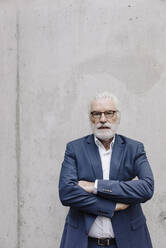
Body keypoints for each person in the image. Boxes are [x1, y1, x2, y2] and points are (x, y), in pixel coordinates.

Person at [59, 92, 154, 248]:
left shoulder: (134, 148)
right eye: (96, 114)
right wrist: (114, 206)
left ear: (117, 116)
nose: (103, 119)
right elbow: (66, 193)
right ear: (90, 117)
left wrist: (95, 186)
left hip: (128, 241)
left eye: (109, 113)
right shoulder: (74, 149)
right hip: (84, 242)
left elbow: (146, 188)